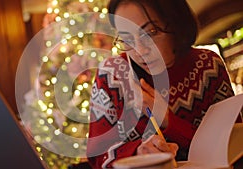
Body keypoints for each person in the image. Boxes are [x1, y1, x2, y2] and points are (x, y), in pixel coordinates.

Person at [86, 0, 241, 168]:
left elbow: (232, 146)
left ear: (176, 23)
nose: (140, 50)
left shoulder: (208, 66)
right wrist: (138, 153)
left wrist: (168, 120)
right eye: (127, 38)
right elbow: (97, 156)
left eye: (151, 32)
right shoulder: (112, 75)